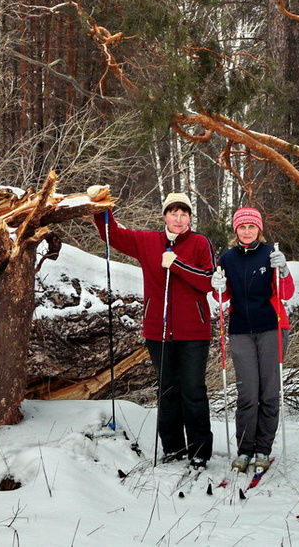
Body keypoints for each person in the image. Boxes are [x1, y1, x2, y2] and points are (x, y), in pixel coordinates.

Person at [94, 192, 216, 469]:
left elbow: (208, 281)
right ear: (165, 216)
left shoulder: (200, 242)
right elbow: (112, 235)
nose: (179, 218)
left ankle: (200, 450)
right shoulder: (147, 241)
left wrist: (178, 265)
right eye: (174, 213)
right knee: (168, 390)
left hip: (194, 332)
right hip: (158, 330)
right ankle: (173, 448)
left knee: (193, 391)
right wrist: (100, 207)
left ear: (189, 218)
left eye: (184, 214)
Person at [210, 207, 295, 473]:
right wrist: (217, 286)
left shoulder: (271, 254)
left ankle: (263, 449)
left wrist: (283, 270)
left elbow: (287, 294)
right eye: (242, 227)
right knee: (248, 394)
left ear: (259, 229)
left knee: (269, 392)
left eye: (251, 227)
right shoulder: (227, 258)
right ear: (236, 231)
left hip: (272, 328)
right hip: (240, 331)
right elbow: (222, 298)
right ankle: (245, 449)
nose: (247, 232)